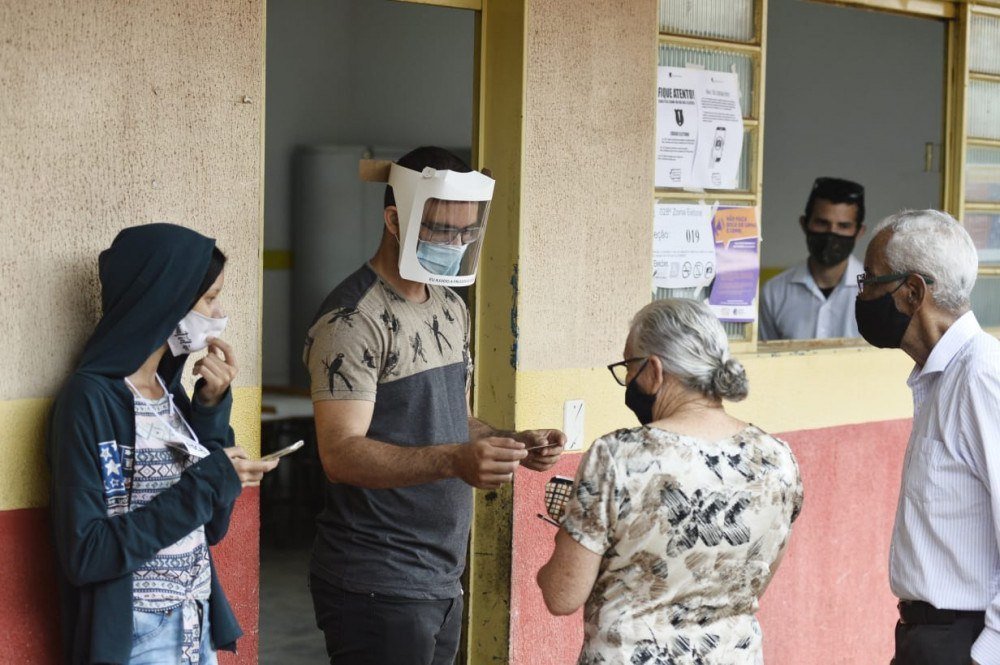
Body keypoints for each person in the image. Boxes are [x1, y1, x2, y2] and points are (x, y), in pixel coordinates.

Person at [303, 146, 565, 665]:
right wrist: (452, 461)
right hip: (376, 579)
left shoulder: (449, 306)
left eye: (467, 231)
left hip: (440, 576)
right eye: (443, 229)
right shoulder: (352, 320)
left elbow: (451, 419)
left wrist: (507, 442)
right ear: (395, 219)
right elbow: (339, 454)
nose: (457, 243)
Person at [47, 223, 278, 665]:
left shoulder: (168, 394)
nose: (218, 312)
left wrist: (210, 409)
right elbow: (86, 553)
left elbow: (211, 526)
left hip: (194, 624)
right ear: (165, 298)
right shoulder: (89, 400)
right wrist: (207, 483)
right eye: (209, 298)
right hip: (136, 635)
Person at [536, 298, 803, 664]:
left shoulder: (617, 457)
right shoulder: (778, 460)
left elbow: (561, 595)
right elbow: (755, 577)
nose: (628, 380)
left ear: (655, 371)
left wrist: (567, 534)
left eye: (630, 366)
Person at [855, 210, 999, 665]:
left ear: (913, 291)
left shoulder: (981, 376)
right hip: (931, 636)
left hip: (965, 640)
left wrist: (987, 652)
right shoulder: (940, 375)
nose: (862, 294)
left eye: (871, 280)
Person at [760, 176, 866, 340]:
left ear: (859, 232)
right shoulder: (774, 293)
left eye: (843, 226)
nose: (831, 233)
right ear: (804, 224)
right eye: (822, 223)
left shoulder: (875, 291)